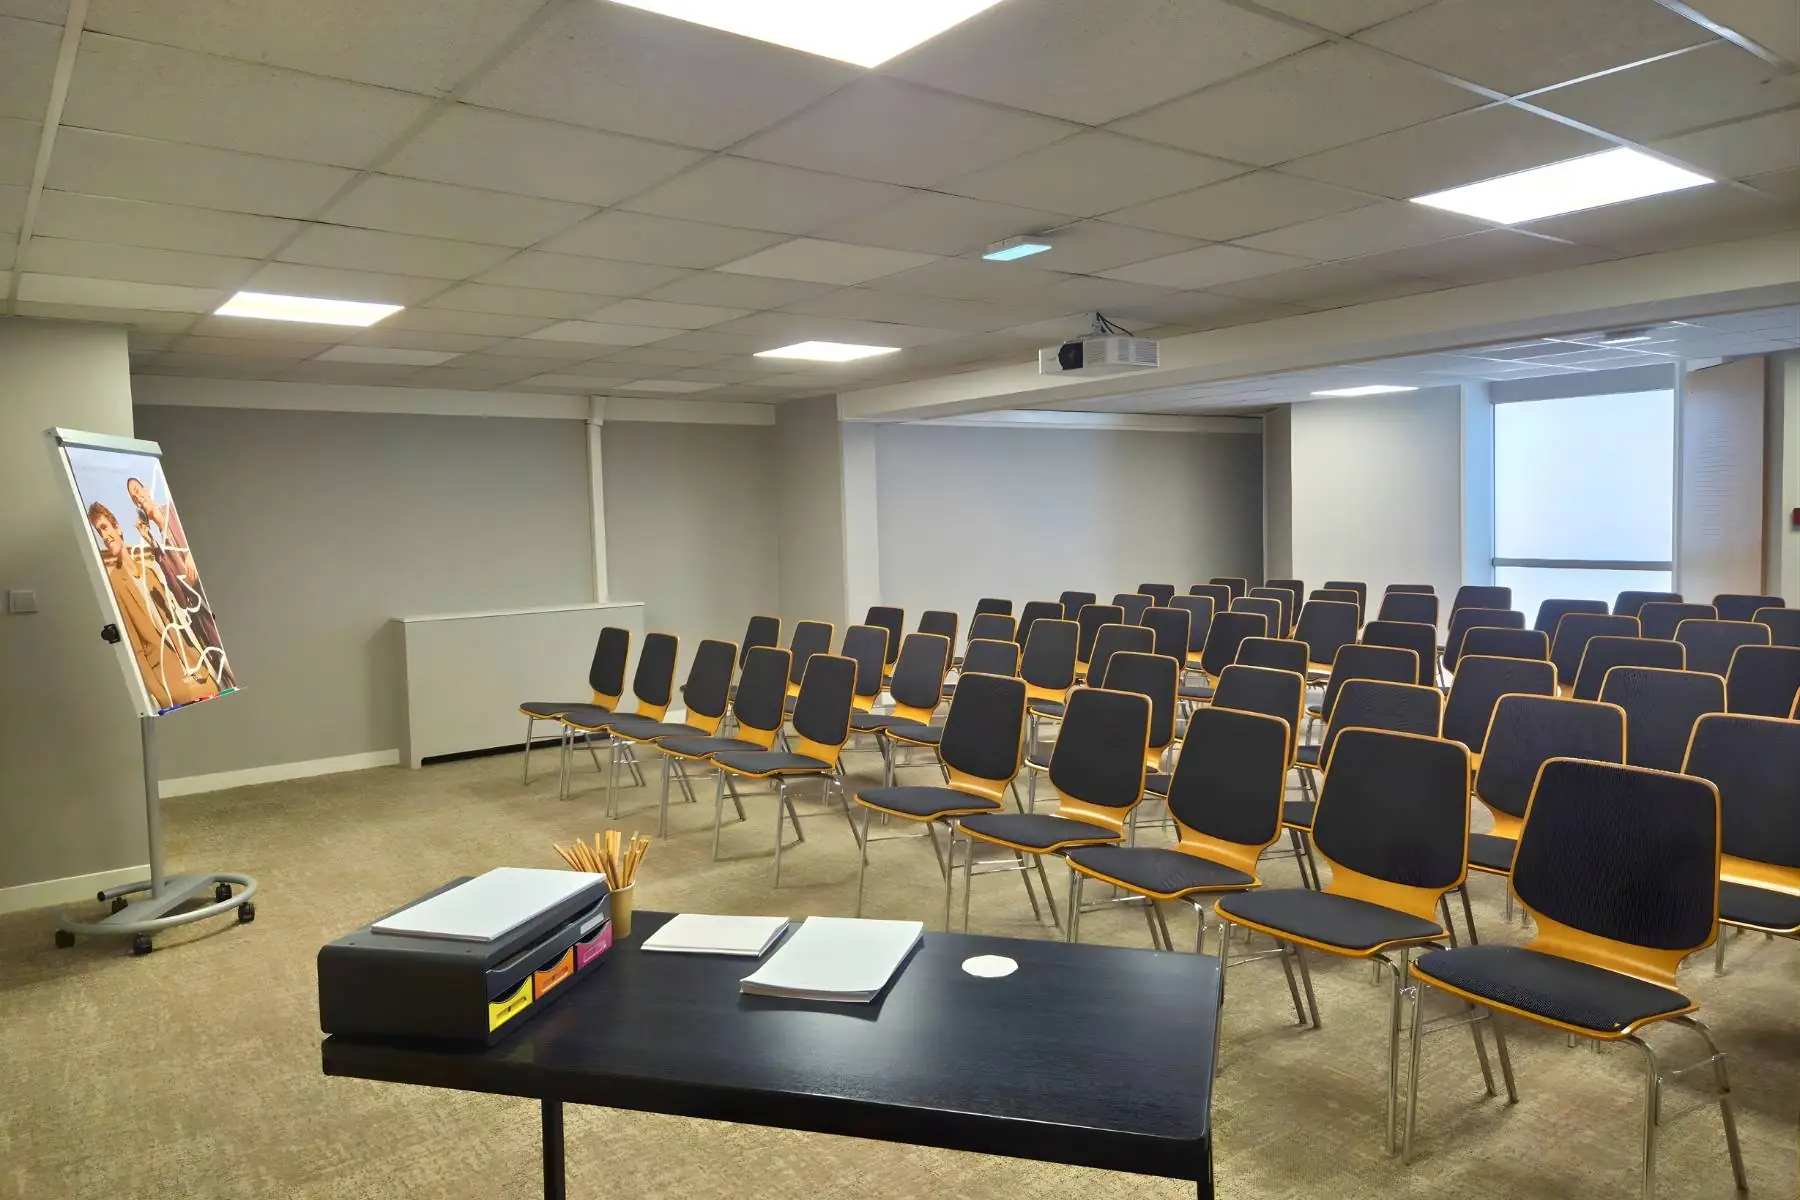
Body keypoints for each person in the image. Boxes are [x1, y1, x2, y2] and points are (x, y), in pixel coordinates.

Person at [87, 501, 215, 710]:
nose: (105, 536)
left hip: (193, 662)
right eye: (100, 533)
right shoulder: (116, 584)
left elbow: (177, 614)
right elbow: (136, 649)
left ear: (117, 527)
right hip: (166, 676)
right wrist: (161, 697)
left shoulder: (150, 571)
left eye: (105, 528)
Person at [126, 476, 234, 689]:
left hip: (213, 594)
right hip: (196, 608)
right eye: (133, 496)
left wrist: (193, 556)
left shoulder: (173, 513)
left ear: (147, 489)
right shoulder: (156, 537)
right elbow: (172, 579)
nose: (137, 496)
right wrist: (150, 541)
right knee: (216, 655)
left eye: (138, 490)